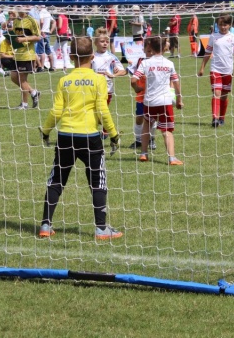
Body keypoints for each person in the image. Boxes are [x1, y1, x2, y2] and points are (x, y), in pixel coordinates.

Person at [37, 36, 122, 240]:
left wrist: (46, 131)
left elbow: (56, 110)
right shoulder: (98, 79)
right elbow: (102, 110)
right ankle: (101, 229)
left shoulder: (64, 80)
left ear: (71, 56)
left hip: (65, 135)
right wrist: (113, 134)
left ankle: (45, 225)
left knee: (57, 178)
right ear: (92, 56)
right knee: (98, 180)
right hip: (90, 137)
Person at [131, 35, 184, 165]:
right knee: (167, 130)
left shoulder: (145, 63)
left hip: (149, 101)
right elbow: (176, 83)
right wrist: (179, 99)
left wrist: (137, 88)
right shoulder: (169, 63)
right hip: (165, 102)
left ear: (150, 47)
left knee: (147, 125)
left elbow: (133, 80)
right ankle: (172, 158)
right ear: (165, 47)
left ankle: (144, 154)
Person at [198, 14, 234, 127]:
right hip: (215, 69)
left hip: (228, 70)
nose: (223, 27)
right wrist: (202, 67)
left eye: (225, 25)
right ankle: (215, 118)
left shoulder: (233, 37)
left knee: (224, 95)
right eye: (220, 25)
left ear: (229, 25)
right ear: (217, 25)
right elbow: (207, 53)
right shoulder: (213, 36)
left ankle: (222, 118)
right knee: (216, 93)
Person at [92, 27, 127, 136]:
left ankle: (106, 131)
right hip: (92, 88)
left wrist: (114, 74)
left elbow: (123, 71)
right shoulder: (92, 57)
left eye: (107, 42)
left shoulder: (111, 57)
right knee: (94, 111)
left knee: (102, 109)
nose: (105, 44)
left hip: (107, 89)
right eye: (102, 41)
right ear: (95, 43)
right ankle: (100, 129)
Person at [11, 7, 42, 109]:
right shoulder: (15, 21)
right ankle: (33, 92)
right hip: (17, 54)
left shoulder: (31, 21)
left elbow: (38, 37)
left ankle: (24, 104)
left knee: (22, 79)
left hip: (27, 54)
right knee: (13, 77)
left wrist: (24, 39)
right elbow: (15, 36)